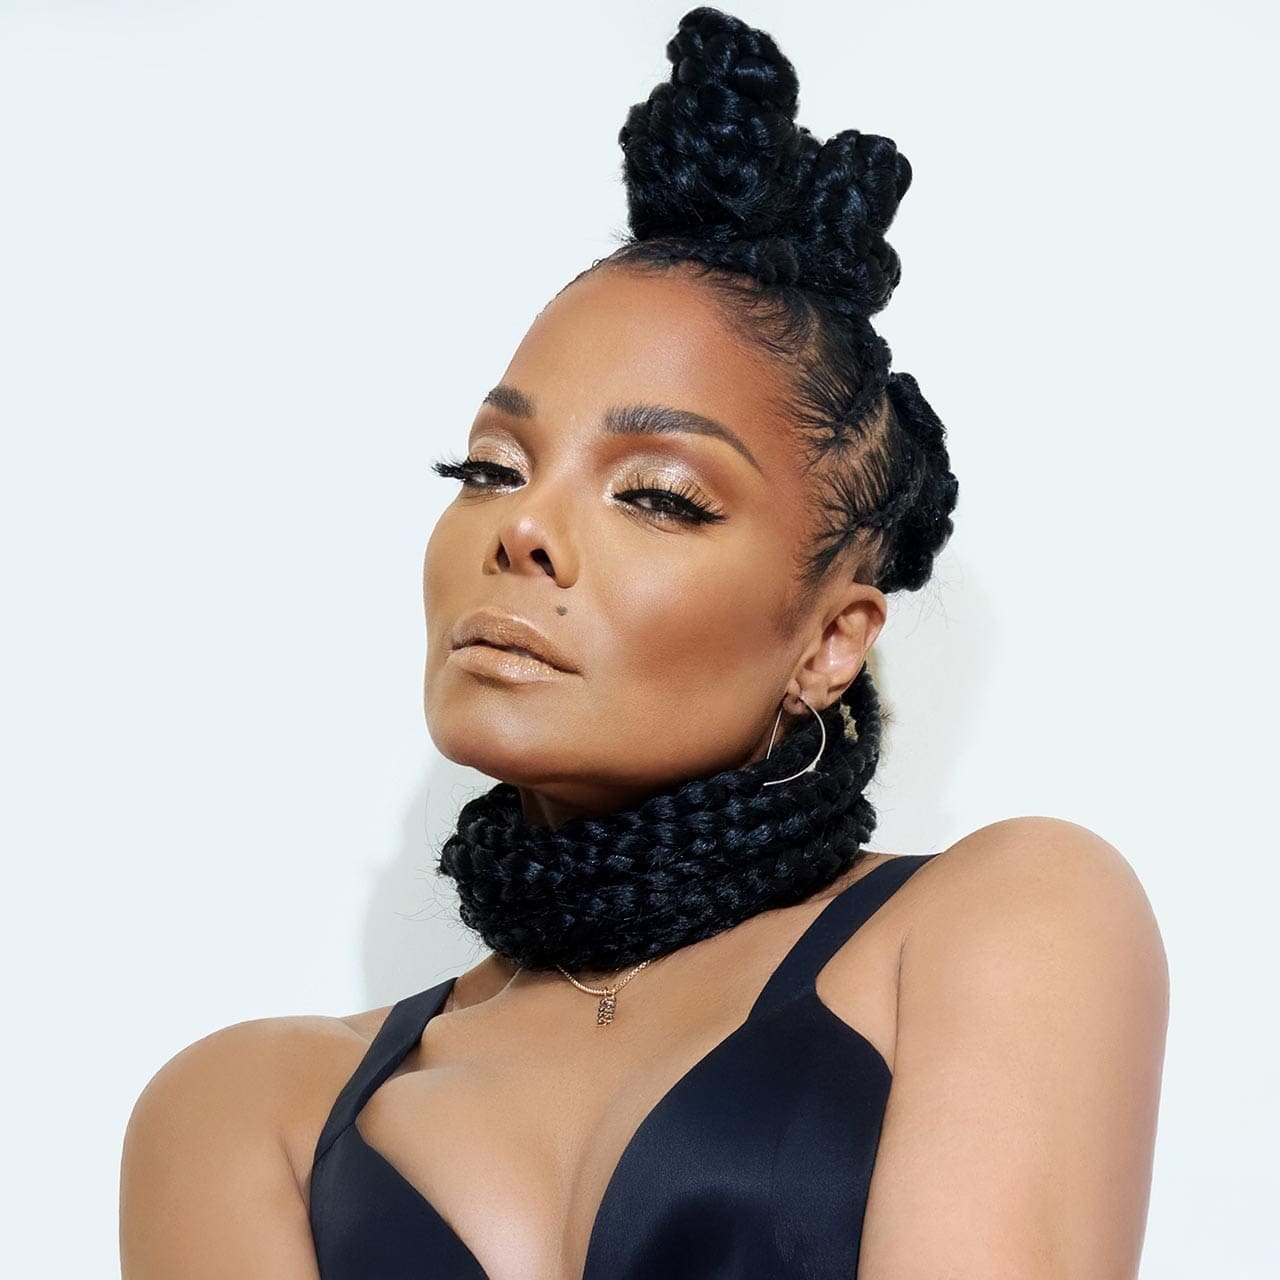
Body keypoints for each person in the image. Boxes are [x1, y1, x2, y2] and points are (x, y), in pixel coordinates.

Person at [119, 7, 1168, 1278]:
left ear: (830, 642)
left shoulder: (1002, 917)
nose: (521, 529)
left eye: (659, 495)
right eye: (490, 467)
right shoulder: (247, 1111)